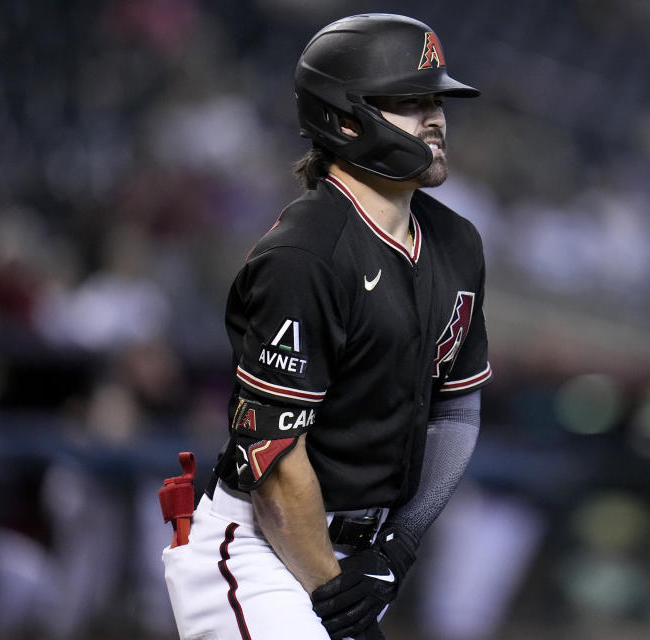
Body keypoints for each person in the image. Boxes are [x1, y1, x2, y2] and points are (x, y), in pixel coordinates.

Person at [160, 13, 491, 640]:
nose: (436, 118)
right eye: (409, 101)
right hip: (262, 545)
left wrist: (397, 549)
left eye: (437, 100)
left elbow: (456, 414)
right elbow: (277, 465)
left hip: (362, 557)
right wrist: (335, 598)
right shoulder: (304, 256)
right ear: (345, 117)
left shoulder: (457, 242)